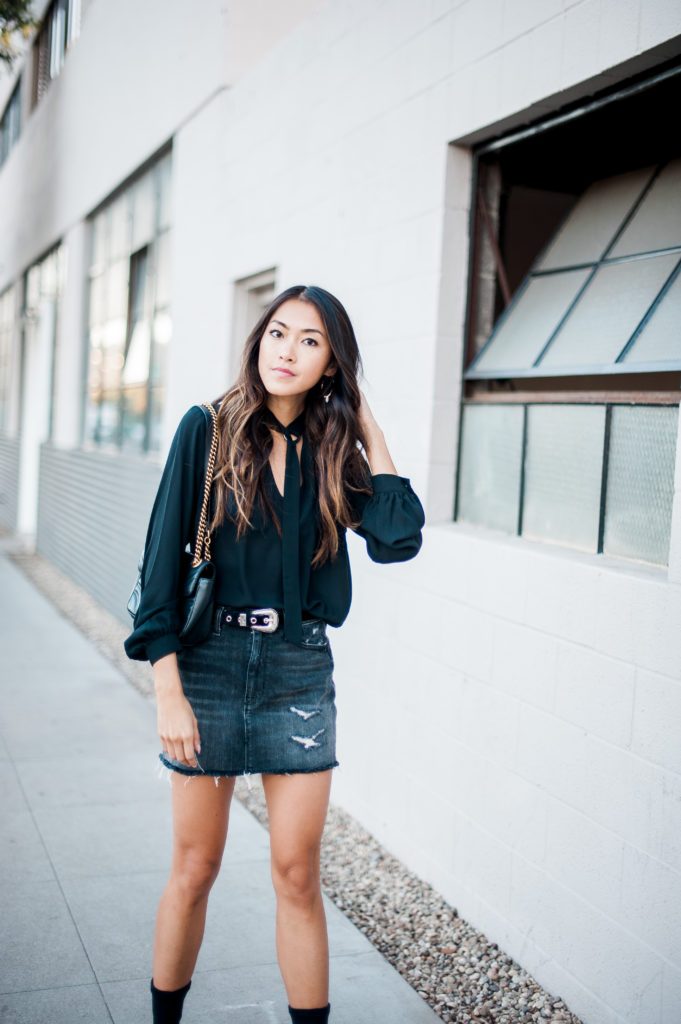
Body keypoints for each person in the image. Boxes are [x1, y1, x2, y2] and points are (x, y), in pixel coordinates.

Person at [124, 284, 424, 1024]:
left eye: (310, 341)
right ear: (258, 341)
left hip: (297, 670)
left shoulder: (329, 450)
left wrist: (360, 419)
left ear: (331, 365)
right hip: (210, 667)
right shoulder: (208, 429)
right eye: (277, 333)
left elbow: (396, 538)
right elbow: (158, 569)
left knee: (296, 873)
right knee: (195, 868)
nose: (286, 351)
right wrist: (169, 692)